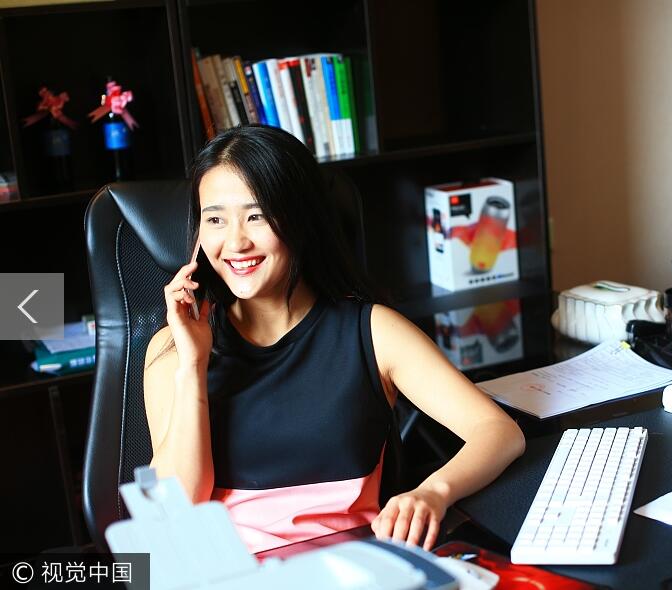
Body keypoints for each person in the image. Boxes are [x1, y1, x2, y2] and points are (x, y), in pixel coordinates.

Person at [143, 125, 525, 554]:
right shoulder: (172, 349)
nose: (235, 241)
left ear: (300, 219)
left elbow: (497, 431)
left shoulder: (374, 331)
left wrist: (434, 492)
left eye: (256, 215)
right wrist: (193, 367)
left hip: (355, 569)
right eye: (215, 219)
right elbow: (180, 507)